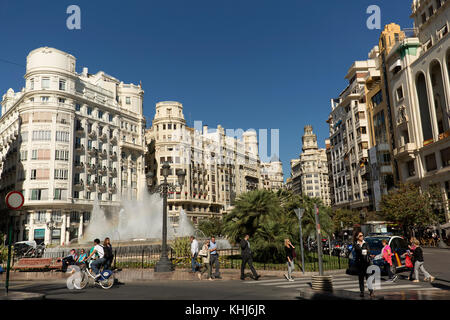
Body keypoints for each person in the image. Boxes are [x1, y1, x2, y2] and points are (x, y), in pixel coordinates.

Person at [354, 232, 374, 298]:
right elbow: (358, 251)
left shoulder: (366, 243)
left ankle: (371, 291)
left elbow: (368, 251)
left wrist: (364, 251)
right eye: (360, 236)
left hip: (366, 263)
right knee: (361, 279)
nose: (362, 237)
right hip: (359, 264)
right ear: (357, 237)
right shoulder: (356, 244)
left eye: (362, 235)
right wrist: (363, 251)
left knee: (368, 278)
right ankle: (362, 292)